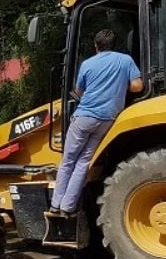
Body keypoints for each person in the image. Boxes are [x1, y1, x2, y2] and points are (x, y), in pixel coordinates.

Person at [47, 29, 144, 217]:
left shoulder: (88, 64)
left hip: (84, 118)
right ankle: (68, 207)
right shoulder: (125, 61)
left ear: (96, 46)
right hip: (108, 119)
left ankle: (55, 204)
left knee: (68, 161)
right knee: (84, 162)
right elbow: (137, 86)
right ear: (114, 44)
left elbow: (79, 91)